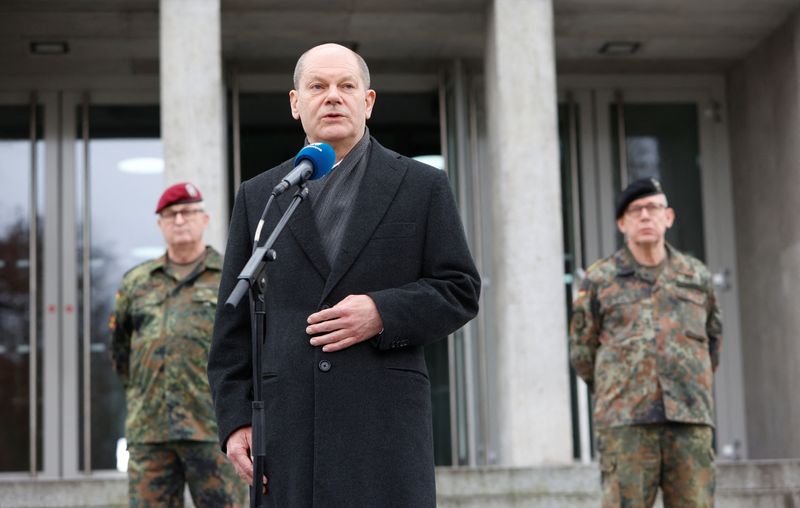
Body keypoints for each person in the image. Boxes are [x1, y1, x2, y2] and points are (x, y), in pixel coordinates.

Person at [207, 43, 481, 507]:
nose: (332, 96)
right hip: (288, 434)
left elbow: (459, 289)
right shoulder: (261, 196)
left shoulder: (421, 185)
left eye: (346, 86)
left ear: (367, 102)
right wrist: (235, 420)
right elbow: (232, 327)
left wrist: (382, 311)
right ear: (296, 104)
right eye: (317, 86)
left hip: (383, 431)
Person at [569, 178, 722, 507]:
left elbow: (713, 342)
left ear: (668, 217)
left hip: (690, 420)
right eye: (635, 211)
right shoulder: (599, 280)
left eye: (653, 208)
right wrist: (621, 388)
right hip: (626, 424)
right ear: (622, 223)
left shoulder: (697, 277)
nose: (645, 216)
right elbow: (582, 352)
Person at [109, 182, 246, 507]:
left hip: (212, 426)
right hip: (150, 431)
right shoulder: (137, 281)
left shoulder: (231, 276)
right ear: (160, 224)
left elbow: (246, 347)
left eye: (188, 212)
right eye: (171, 214)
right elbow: (120, 352)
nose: (180, 220)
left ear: (205, 219)